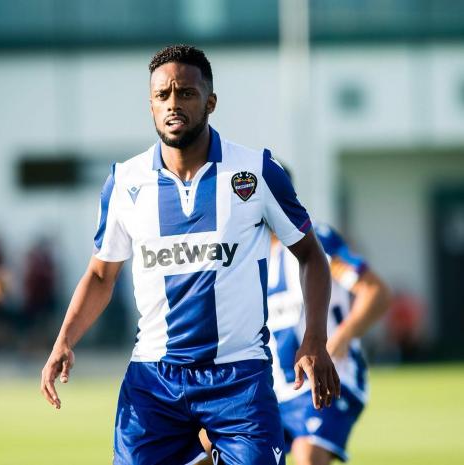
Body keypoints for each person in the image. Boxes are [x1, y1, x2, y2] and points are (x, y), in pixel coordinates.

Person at [41, 44, 339, 465]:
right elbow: (101, 275)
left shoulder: (255, 172)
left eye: (186, 93)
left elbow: (311, 255)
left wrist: (315, 339)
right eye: (162, 96)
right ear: (150, 105)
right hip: (154, 382)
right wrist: (64, 340)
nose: (173, 104)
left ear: (210, 102)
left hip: (239, 379)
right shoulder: (125, 182)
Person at [266, 224, 390, 464]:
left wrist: (343, 336)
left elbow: (375, 291)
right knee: (204, 448)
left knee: (308, 453)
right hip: (272, 390)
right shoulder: (241, 252)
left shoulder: (314, 240)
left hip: (326, 380)